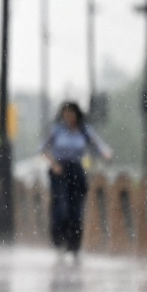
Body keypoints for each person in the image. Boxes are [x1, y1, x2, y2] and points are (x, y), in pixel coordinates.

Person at [42, 101, 112, 257]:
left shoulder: (84, 130)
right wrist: (53, 164)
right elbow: (43, 149)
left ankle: (74, 245)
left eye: (70, 114)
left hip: (76, 170)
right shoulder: (57, 130)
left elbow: (97, 144)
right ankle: (59, 239)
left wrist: (106, 153)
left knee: (76, 210)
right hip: (59, 170)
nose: (68, 117)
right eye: (65, 114)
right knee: (61, 207)